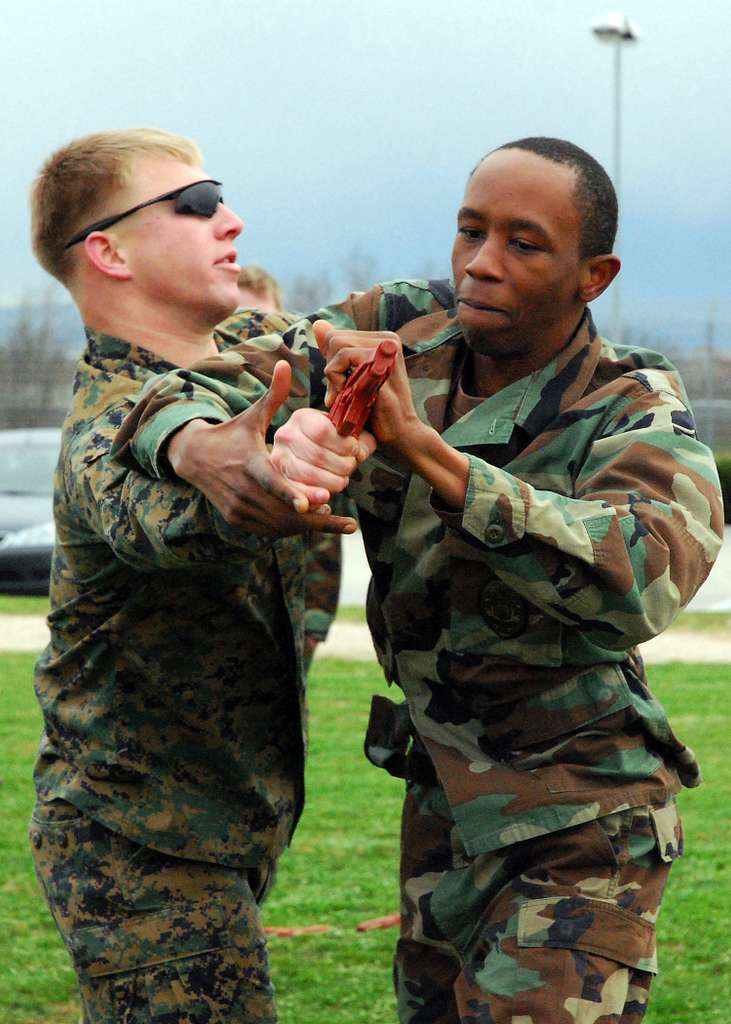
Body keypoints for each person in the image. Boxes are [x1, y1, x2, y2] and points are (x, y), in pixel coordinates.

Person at [114, 138, 724, 1023]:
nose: (480, 264)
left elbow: (641, 577)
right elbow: (203, 369)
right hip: (445, 809)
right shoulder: (397, 327)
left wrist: (431, 456)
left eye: (524, 243)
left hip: (581, 825)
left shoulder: (630, 406)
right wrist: (219, 445)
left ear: (593, 276)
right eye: (469, 231)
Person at [27, 127, 361, 1024]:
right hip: (133, 841)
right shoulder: (99, 433)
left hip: (215, 826)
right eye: (199, 203)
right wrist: (253, 482)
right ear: (108, 250)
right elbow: (175, 516)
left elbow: (374, 324)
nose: (232, 221)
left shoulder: (249, 349)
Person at [235, 263, 347, 672]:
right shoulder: (213, 407)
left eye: (262, 322)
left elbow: (328, 524)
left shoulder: (314, 409)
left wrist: (316, 620)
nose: (249, 333)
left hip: (291, 607)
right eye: (239, 321)